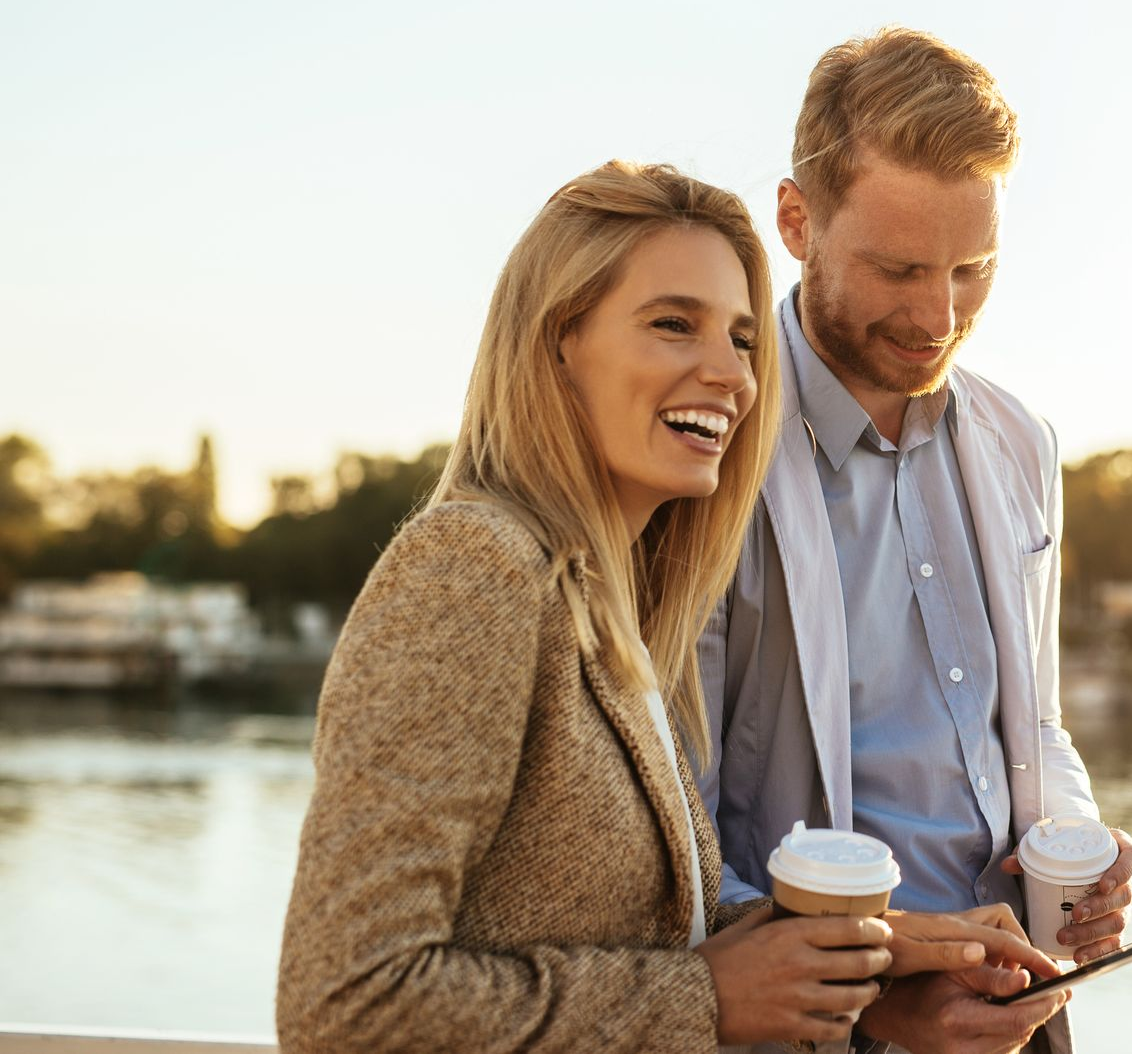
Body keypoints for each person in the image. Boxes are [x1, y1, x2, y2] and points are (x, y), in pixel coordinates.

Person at [276, 161, 1047, 1054]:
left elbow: (645, 934)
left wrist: (876, 979)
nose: (730, 374)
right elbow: (343, 1005)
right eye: (674, 325)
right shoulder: (472, 568)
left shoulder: (613, 608)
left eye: (744, 339)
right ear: (557, 340)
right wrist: (702, 1000)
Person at [699, 29, 1132, 1054]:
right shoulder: (710, 449)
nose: (939, 316)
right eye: (900, 268)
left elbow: (1029, 727)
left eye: (972, 270)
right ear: (797, 221)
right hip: (817, 1028)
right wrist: (880, 992)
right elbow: (678, 824)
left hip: (1023, 1019)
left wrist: (1075, 856)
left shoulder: (1021, 442)